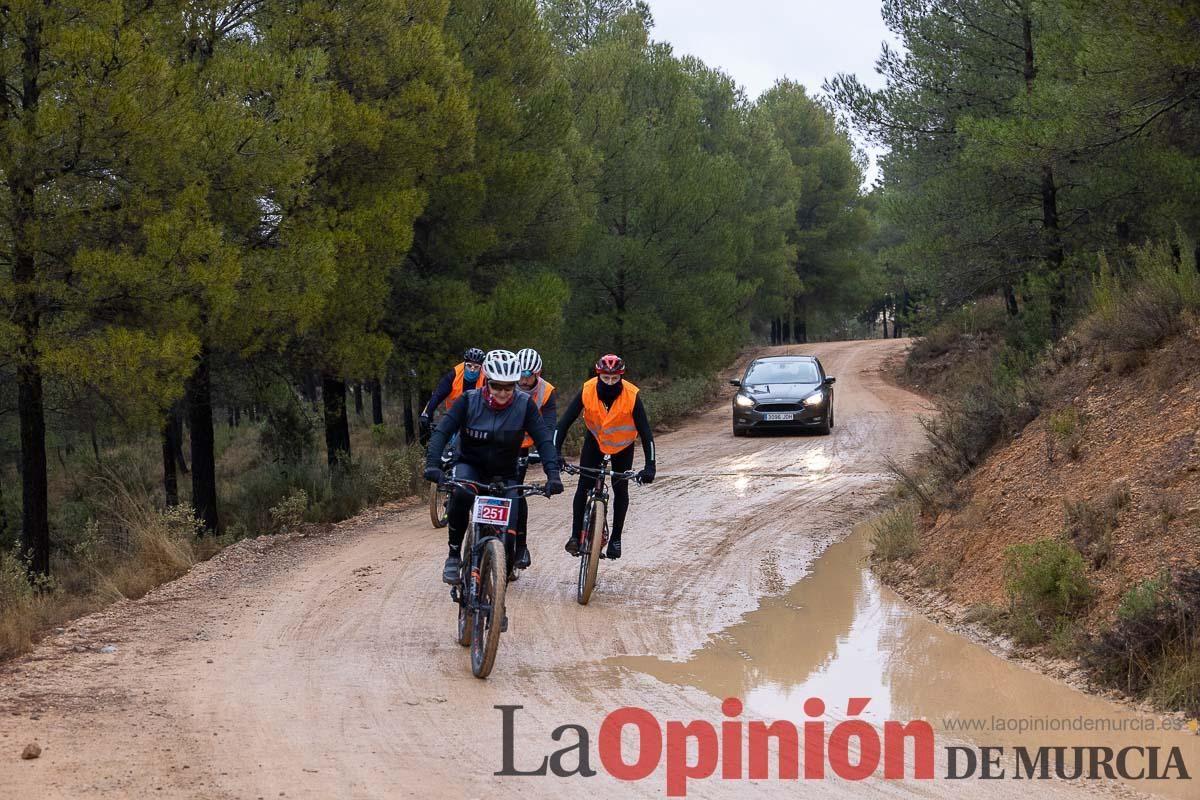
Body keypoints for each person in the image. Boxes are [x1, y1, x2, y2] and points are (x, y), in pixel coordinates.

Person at [424, 349, 564, 583]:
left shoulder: (524, 405)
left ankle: (497, 591)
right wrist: (433, 465)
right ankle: (453, 554)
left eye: (508, 387)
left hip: (504, 474)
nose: (502, 393)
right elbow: (442, 432)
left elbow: (543, 439)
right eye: (497, 386)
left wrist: (553, 474)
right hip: (470, 466)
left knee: (510, 529)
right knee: (461, 494)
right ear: (487, 382)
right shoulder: (468, 402)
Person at [554, 353, 655, 560]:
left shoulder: (632, 395)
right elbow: (563, 424)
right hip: (595, 442)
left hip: (623, 447)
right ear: (599, 375)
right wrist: (554, 454)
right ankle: (575, 536)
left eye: (615, 379)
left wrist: (650, 466)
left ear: (621, 376)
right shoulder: (587, 389)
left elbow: (646, 434)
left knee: (620, 488)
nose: (610, 382)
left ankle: (616, 539)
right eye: (606, 378)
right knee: (584, 485)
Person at [512, 348, 557, 571]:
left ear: (537, 374)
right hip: (500, 442)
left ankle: (521, 546)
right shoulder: (503, 385)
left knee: (517, 492)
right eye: (520, 373)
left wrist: (547, 453)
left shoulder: (546, 391)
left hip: (525, 444)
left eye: (528, 375)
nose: (523, 379)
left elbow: (548, 426)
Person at [419, 347, 485, 442]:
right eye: (469, 365)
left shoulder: (485, 377)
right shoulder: (454, 374)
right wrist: (426, 414)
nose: (472, 369)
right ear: (464, 364)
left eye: (476, 367)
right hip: (454, 415)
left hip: (476, 417)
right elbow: (437, 395)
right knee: (448, 442)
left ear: (481, 367)